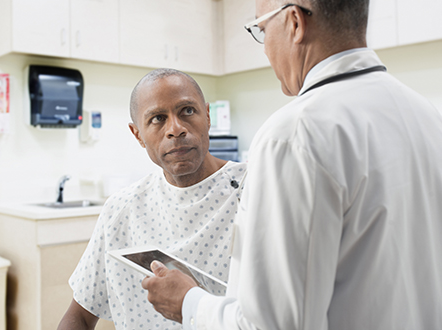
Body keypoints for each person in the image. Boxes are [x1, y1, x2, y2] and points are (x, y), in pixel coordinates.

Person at [142, 0, 442, 329]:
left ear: (295, 23)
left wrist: (189, 302)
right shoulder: (426, 116)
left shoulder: (293, 135)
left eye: (262, 30)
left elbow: (276, 324)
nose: (266, 49)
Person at [57, 68, 247, 329]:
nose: (176, 129)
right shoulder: (121, 210)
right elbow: (79, 315)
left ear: (208, 116)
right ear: (138, 135)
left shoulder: (253, 190)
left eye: (188, 111)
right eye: (158, 118)